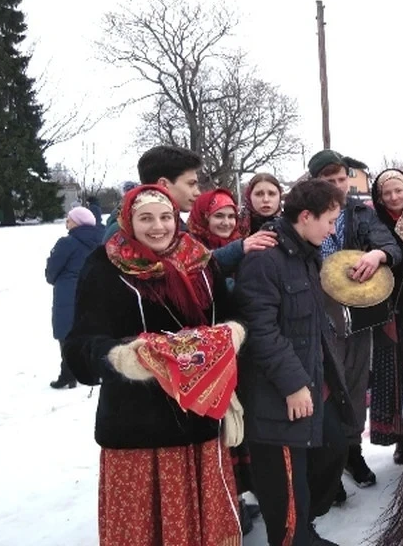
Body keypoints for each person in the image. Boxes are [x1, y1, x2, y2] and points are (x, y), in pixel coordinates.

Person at [62, 185, 245, 546]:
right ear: (128, 221)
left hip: (199, 417)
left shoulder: (201, 262)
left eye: (165, 217)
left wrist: (231, 334)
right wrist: (124, 357)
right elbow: (80, 344)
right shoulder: (104, 266)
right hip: (139, 427)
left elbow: (230, 314)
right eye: (146, 218)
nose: (158, 226)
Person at [235, 179, 356, 546]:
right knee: (286, 482)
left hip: (311, 380)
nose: (334, 229)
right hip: (278, 393)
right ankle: (293, 536)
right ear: (306, 216)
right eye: (330, 221)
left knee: (334, 448)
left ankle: (302, 527)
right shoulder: (264, 260)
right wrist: (291, 385)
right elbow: (259, 329)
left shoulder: (304, 252)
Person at [307, 149, 402, 493]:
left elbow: (391, 246)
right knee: (325, 387)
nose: (336, 186)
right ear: (314, 182)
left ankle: (352, 452)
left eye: (341, 179)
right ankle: (327, 462)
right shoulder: (304, 215)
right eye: (327, 180)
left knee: (355, 383)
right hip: (317, 317)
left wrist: (378, 254)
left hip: (359, 315)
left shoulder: (362, 214)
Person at [187, 187, 260, 536]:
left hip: (240, 352)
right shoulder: (192, 251)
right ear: (203, 217)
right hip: (206, 358)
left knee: (238, 429)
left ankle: (240, 499)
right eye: (218, 216)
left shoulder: (245, 247)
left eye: (231, 216)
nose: (226, 222)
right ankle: (225, 506)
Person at [102, 145, 276, 273]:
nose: (197, 192)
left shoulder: (175, 226)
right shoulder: (123, 234)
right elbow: (182, 272)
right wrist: (239, 249)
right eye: (191, 184)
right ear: (163, 185)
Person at [369, 169, 403, 464]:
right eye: (386, 193)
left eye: (398, 191)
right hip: (387, 310)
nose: (393, 197)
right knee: (394, 375)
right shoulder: (373, 226)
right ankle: (401, 439)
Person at [44, 206, 102, 389]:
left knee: (66, 333)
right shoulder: (101, 238)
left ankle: (68, 374)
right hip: (93, 290)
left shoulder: (66, 243)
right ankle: (94, 371)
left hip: (68, 293)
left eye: (68, 219)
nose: (66, 223)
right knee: (91, 331)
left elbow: (52, 270)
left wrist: (54, 278)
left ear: (77, 222)